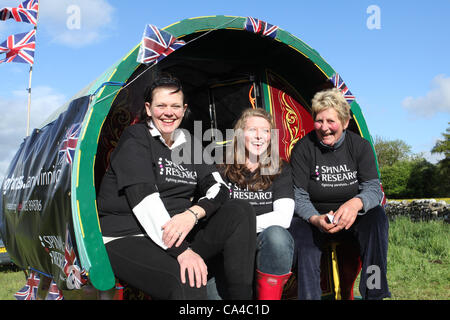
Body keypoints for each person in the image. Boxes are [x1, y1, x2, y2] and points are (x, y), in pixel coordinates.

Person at [97, 74, 256, 300]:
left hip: (178, 231)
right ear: (148, 108)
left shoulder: (187, 141)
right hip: (128, 235)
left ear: (184, 110)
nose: (168, 112)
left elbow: (219, 188)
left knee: (240, 211)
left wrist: (192, 214)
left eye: (175, 106)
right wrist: (182, 253)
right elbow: (145, 202)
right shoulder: (136, 137)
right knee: (187, 280)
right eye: (161, 105)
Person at [288, 88, 391, 300]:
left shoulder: (360, 146)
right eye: (319, 120)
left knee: (377, 219)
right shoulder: (303, 148)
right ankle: (309, 296)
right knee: (300, 232)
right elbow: (298, 195)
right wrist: (316, 218)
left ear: (345, 123)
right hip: (315, 217)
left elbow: (373, 188)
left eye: (331, 121)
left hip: (353, 217)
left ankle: (375, 293)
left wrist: (356, 204)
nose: (324, 128)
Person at [211, 108, 294, 300]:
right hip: (227, 245)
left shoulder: (280, 169)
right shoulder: (221, 167)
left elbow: (283, 218)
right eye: (252, 130)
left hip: (262, 241)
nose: (259, 136)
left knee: (277, 236)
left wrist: (240, 227)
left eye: (265, 131)